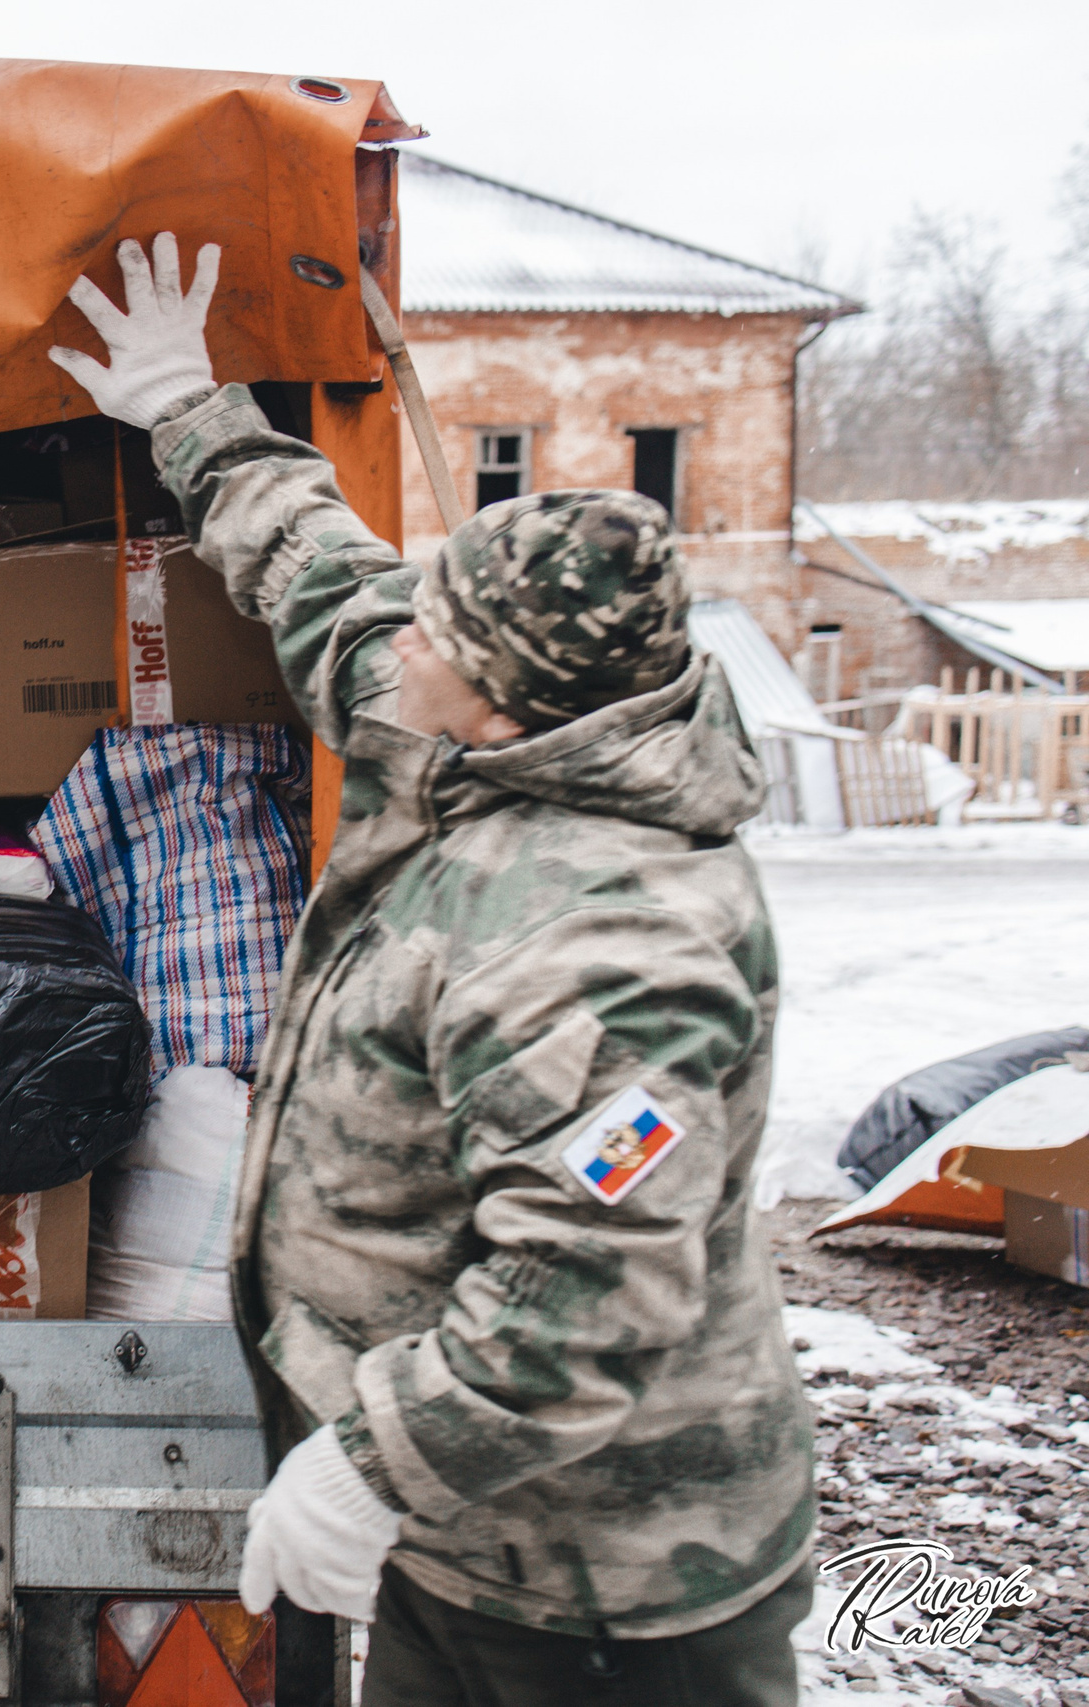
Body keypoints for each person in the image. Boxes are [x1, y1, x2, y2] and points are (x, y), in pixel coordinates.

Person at [51, 235, 814, 1707]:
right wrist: (186, 411)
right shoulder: (466, 727)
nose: (402, 652)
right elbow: (327, 584)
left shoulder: (615, 943)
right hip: (460, 1537)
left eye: (439, 640)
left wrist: (367, 1470)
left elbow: (587, 1289)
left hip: (605, 1589)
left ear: (516, 699)